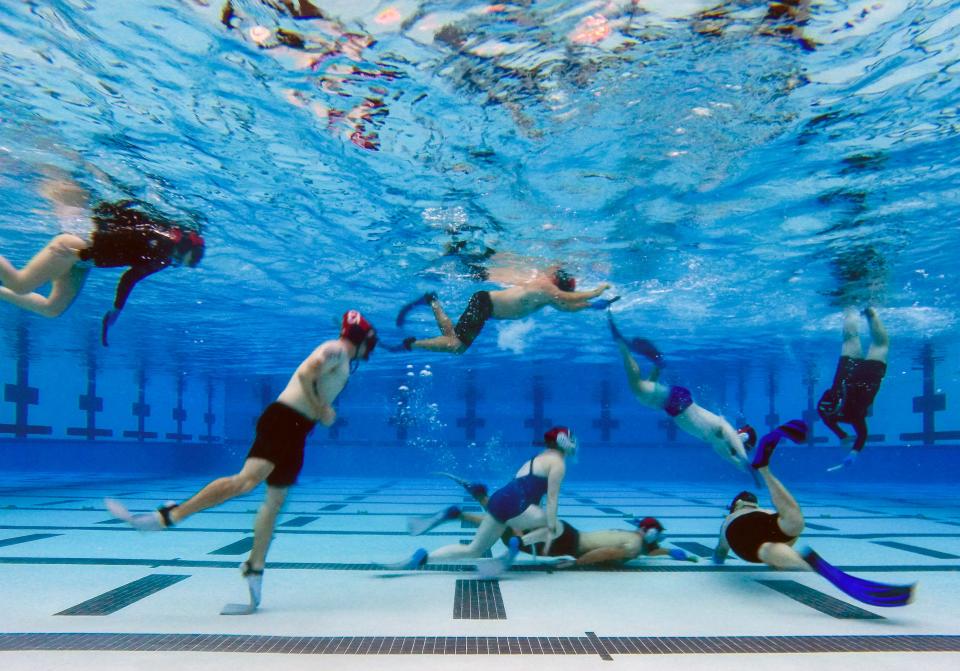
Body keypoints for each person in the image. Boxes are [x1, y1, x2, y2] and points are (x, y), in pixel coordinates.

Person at [106, 310, 379, 613]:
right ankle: (169, 516)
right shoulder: (336, 350)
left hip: (299, 430)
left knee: (275, 502)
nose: (372, 349)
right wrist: (322, 407)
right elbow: (305, 374)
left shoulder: (342, 359)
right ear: (362, 339)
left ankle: (255, 567)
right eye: (371, 343)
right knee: (246, 482)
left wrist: (318, 411)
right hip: (283, 420)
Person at [713, 420, 915, 608]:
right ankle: (765, 470)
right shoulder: (761, 510)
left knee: (765, 549)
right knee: (794, 523)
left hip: (742, 534)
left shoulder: (729, 520)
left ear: (736, 505)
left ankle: (805, 564)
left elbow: (720, 552)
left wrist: (717, 560)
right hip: (772, 524)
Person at [0, 178, 205, 345]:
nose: (174, 261)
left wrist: (117, 309)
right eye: (179, 257)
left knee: (52, 309)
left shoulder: (163, 259)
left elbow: (130, 277)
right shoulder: (154, 233)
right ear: (179, 242)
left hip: (84, 261)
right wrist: (87, 253)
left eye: (179, 263)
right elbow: (119, 233)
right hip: (75, 247)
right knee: (19, 284)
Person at [395, 426, 577, 569]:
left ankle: (424, 558)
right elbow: (552, 499)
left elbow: (519, 487)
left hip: (500, 499)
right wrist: (550, 528)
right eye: (571, 439)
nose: (574, 443)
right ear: (563, 441)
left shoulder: (536, 458)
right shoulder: (558, 463)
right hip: (517, 506)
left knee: (474, 550)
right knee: (556, 526)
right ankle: (519, 543)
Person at [416, 474, 699, 566]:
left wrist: (682, 555)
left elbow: (656, 550)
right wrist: (574, 566)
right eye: (657, 535)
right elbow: (607, 553)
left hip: (567, 534)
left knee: (506, 521)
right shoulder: (634, 546)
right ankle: (486, 508)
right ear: (648, 532)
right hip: (567, 544)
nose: (656, 541)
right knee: (510, 527)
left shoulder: (637, 539)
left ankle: (464, 509)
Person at [608, 313, 753, 472]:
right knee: (638, 388)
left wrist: (739, 464)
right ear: (742, 439)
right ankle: (623, 347)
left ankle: (658, 364)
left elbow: (725, 453)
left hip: (676, 405)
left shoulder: (718, 442)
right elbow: (733, 436)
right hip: (679, 403)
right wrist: (743, 458)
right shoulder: (726, 430)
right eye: (744, 447)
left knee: (644, 394)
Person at [395, 266, 615, 354]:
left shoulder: (548, 297)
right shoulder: (545, 287)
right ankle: (413, 343)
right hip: (484, 304)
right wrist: (597, 291)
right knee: (456, 346)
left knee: (452, 339)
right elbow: (568, 298)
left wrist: (592, 306)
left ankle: (432, 301)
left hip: (485, 305)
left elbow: (567, 307)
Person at [818, 307, 888, 471]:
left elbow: (862, 435)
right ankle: (850, 310)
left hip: (869, 378)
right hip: (846, 374)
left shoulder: (855, 417)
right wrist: (841, 436)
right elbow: (830, 421)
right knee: (850, 339)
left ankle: (872, 315)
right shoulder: (826, 413)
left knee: (880, 344)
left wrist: (854, 452)